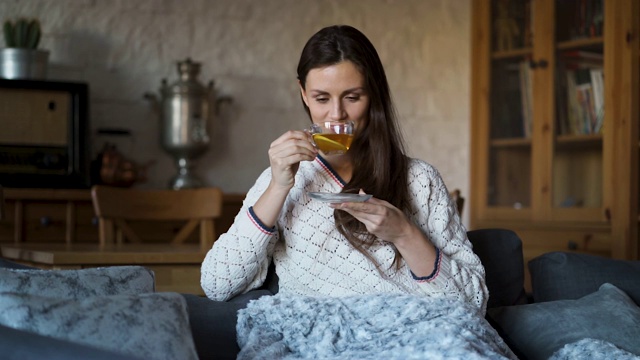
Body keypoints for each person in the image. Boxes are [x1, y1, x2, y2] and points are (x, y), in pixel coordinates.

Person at [201, 24, 488, 314]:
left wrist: (404, 233)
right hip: (325, 335)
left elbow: (474, 301)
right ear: (303, 94)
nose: (336, 114)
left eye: (352, 97)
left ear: (373, 95)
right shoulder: (283, 180)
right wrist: (278, 186)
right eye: (321, 98)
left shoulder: (421, 180)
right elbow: (216, 284)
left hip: (418, 329)